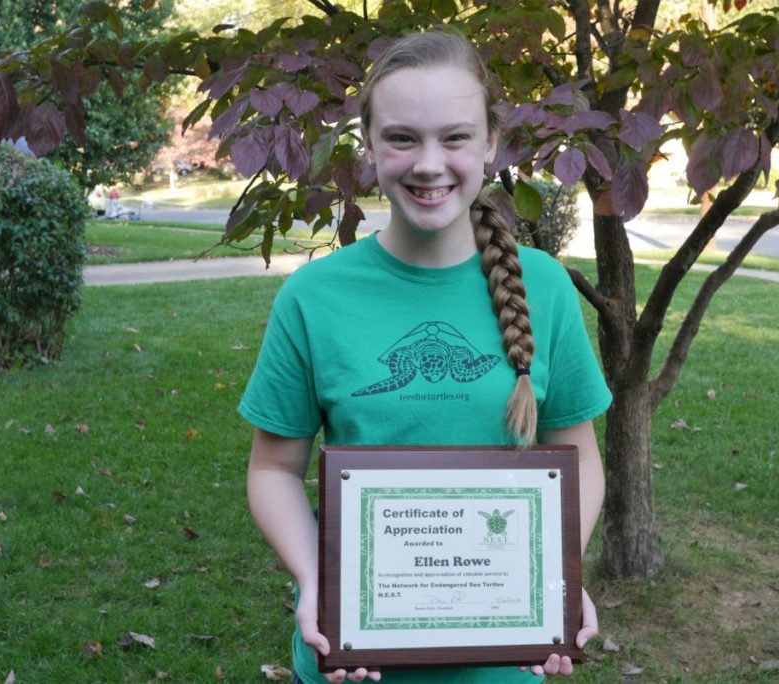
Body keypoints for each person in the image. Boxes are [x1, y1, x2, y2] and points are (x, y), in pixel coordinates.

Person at [239, 28, 612, 684]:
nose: (428, 163)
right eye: (403, 137)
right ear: (371, 146)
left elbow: (577, 454)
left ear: (491, 143)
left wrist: (554, 578)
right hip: (349, 654)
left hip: (504, 661)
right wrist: (316, 583)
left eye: (455, 137)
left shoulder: (545, 287)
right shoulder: (313, 297)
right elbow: (273, 469)